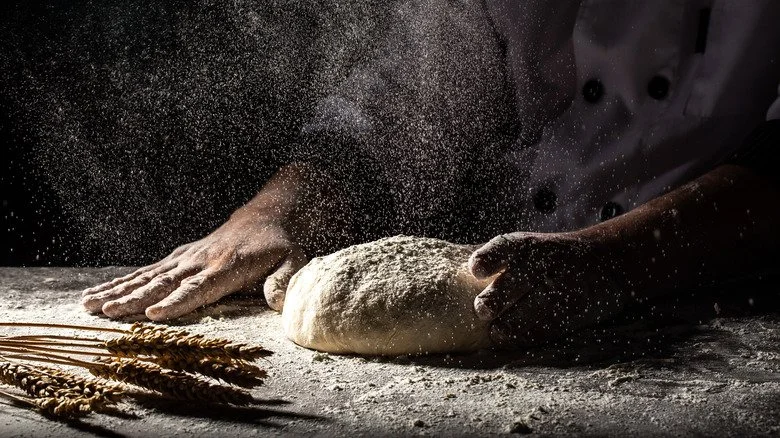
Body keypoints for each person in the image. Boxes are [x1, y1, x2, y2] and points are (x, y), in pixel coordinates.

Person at [81, 0, 780, 348]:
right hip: (516, 294)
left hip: (731, 305)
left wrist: (618, 258)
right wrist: (272, 211)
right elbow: (403, 101)